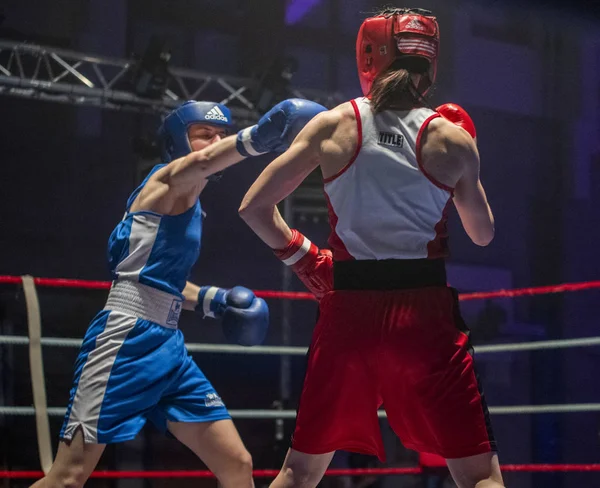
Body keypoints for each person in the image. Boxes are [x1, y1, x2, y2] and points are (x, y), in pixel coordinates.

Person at [238, 7, 502, 488]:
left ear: (368, 55)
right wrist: (467, 167)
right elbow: (483, 234)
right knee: (479, 475)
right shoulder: (452, 139)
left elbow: (253, 208)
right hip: (425, 319)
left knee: (299, 472)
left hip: (349, 313)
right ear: (431, 61)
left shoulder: (333, 125)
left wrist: (304, 260)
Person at [32, 97, 326, 488]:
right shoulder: (165, 180)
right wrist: (256, 137)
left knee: (237, 464)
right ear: (178, 142)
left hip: (168, 347)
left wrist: (213, 302)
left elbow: (161, 282)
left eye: (220, 134)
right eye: (204, 134)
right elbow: (201, 164)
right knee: (68, 477)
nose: (215, 142)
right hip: (124, 340)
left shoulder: (192, 202)